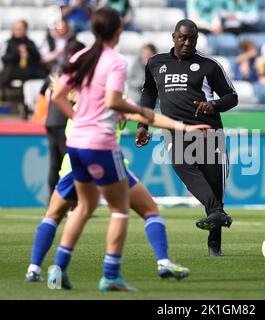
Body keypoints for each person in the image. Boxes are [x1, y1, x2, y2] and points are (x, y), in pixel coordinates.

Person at [49, 8, 209, 292]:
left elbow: (58, 95)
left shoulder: (79, 57)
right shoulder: (115, 61)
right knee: (129, 209)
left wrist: (76, 119)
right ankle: (112, 274)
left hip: (77, 145)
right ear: (118, 31)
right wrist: (164, 121)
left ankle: (57, 271)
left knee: (83, 209)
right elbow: (114, 101)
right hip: (100, 145)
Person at [26, 105, 205, 282]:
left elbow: (58, 94)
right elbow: (146, 116)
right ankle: (144, 267)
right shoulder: (111, 96)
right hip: (105, 160)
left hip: (73, 165)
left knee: (60, 215)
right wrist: (185, 127)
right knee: (143, 209)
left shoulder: (80, 98)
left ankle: (37, 269)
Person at [134, 19, 238, 257]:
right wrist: (143, 124)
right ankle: (217, 216)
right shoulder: (156, 63)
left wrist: (212, 105)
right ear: (174, 37)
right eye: (183, 37)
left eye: (192, 38)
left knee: (215, 189)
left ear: (197, 39)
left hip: (208, 133)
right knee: (182, 165)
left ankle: (215, 246)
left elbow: (232, 97)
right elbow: (149, 93)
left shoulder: (209, 66)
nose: (187, 42)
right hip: (176, 132)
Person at [45, 40, 85, 196]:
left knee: (55, 165)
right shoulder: (75, 71)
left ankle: (52, 202)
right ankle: (71, 202)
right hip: (65, 121)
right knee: (70, 164)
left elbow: (45, 91)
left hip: (51, 120)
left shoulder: (58, 69)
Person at [0, 20, 45, 89]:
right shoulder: (8, 43)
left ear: (25, 30)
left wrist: (28, 54)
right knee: (7, 72)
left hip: (29, 70)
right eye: (16, 29)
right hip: (13, 70)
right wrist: (18, 53)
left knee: (42, 73)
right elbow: (4, 58)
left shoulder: (30, 43)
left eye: (20, 29)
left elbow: (37, 58)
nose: (18, 31)